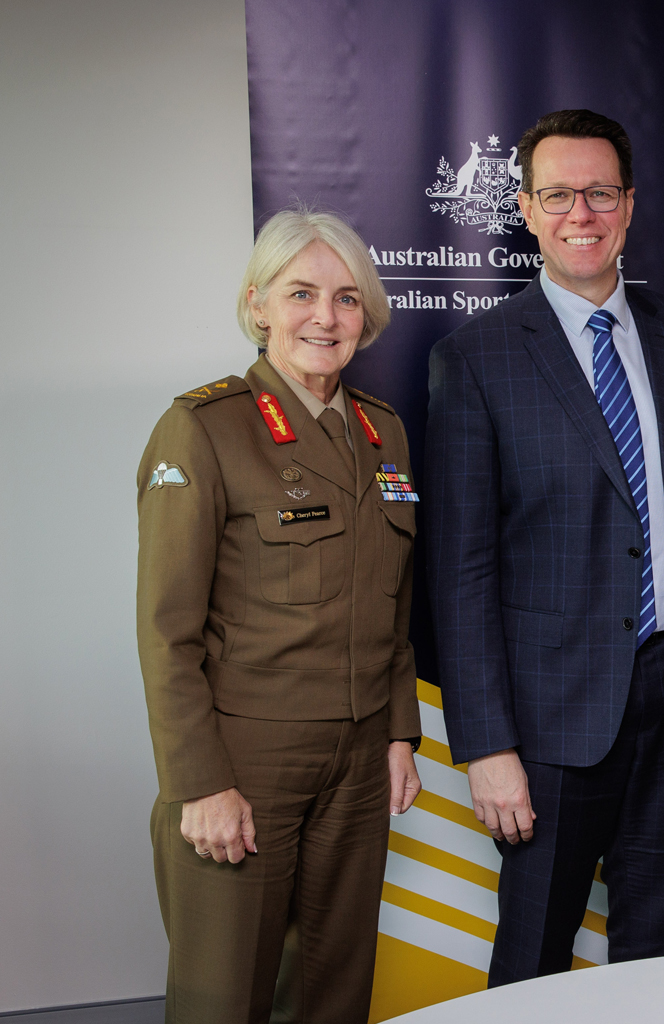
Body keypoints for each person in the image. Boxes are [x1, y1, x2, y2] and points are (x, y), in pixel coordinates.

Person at [424, 109, 664, 984]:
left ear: (630, 204)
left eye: (601, 193)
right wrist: (486, 747)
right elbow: (460, 572)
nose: (582, 213)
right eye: (558, 195)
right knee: (534, 958)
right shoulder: (475, 358)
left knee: (658, 959)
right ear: (527, 210)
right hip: (547, 720)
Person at [137, 208, 423, 1024]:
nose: (325, 317)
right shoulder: (204, 429)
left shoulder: (383, 432)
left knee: (336, 991)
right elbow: (166, 633)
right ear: (258, 305)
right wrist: (200, 783)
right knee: (223, 996)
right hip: (245, 759)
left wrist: (398, 733)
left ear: (366, 315)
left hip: (359, 759)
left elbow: (394, 603)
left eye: (346, 298)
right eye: (301, 294)